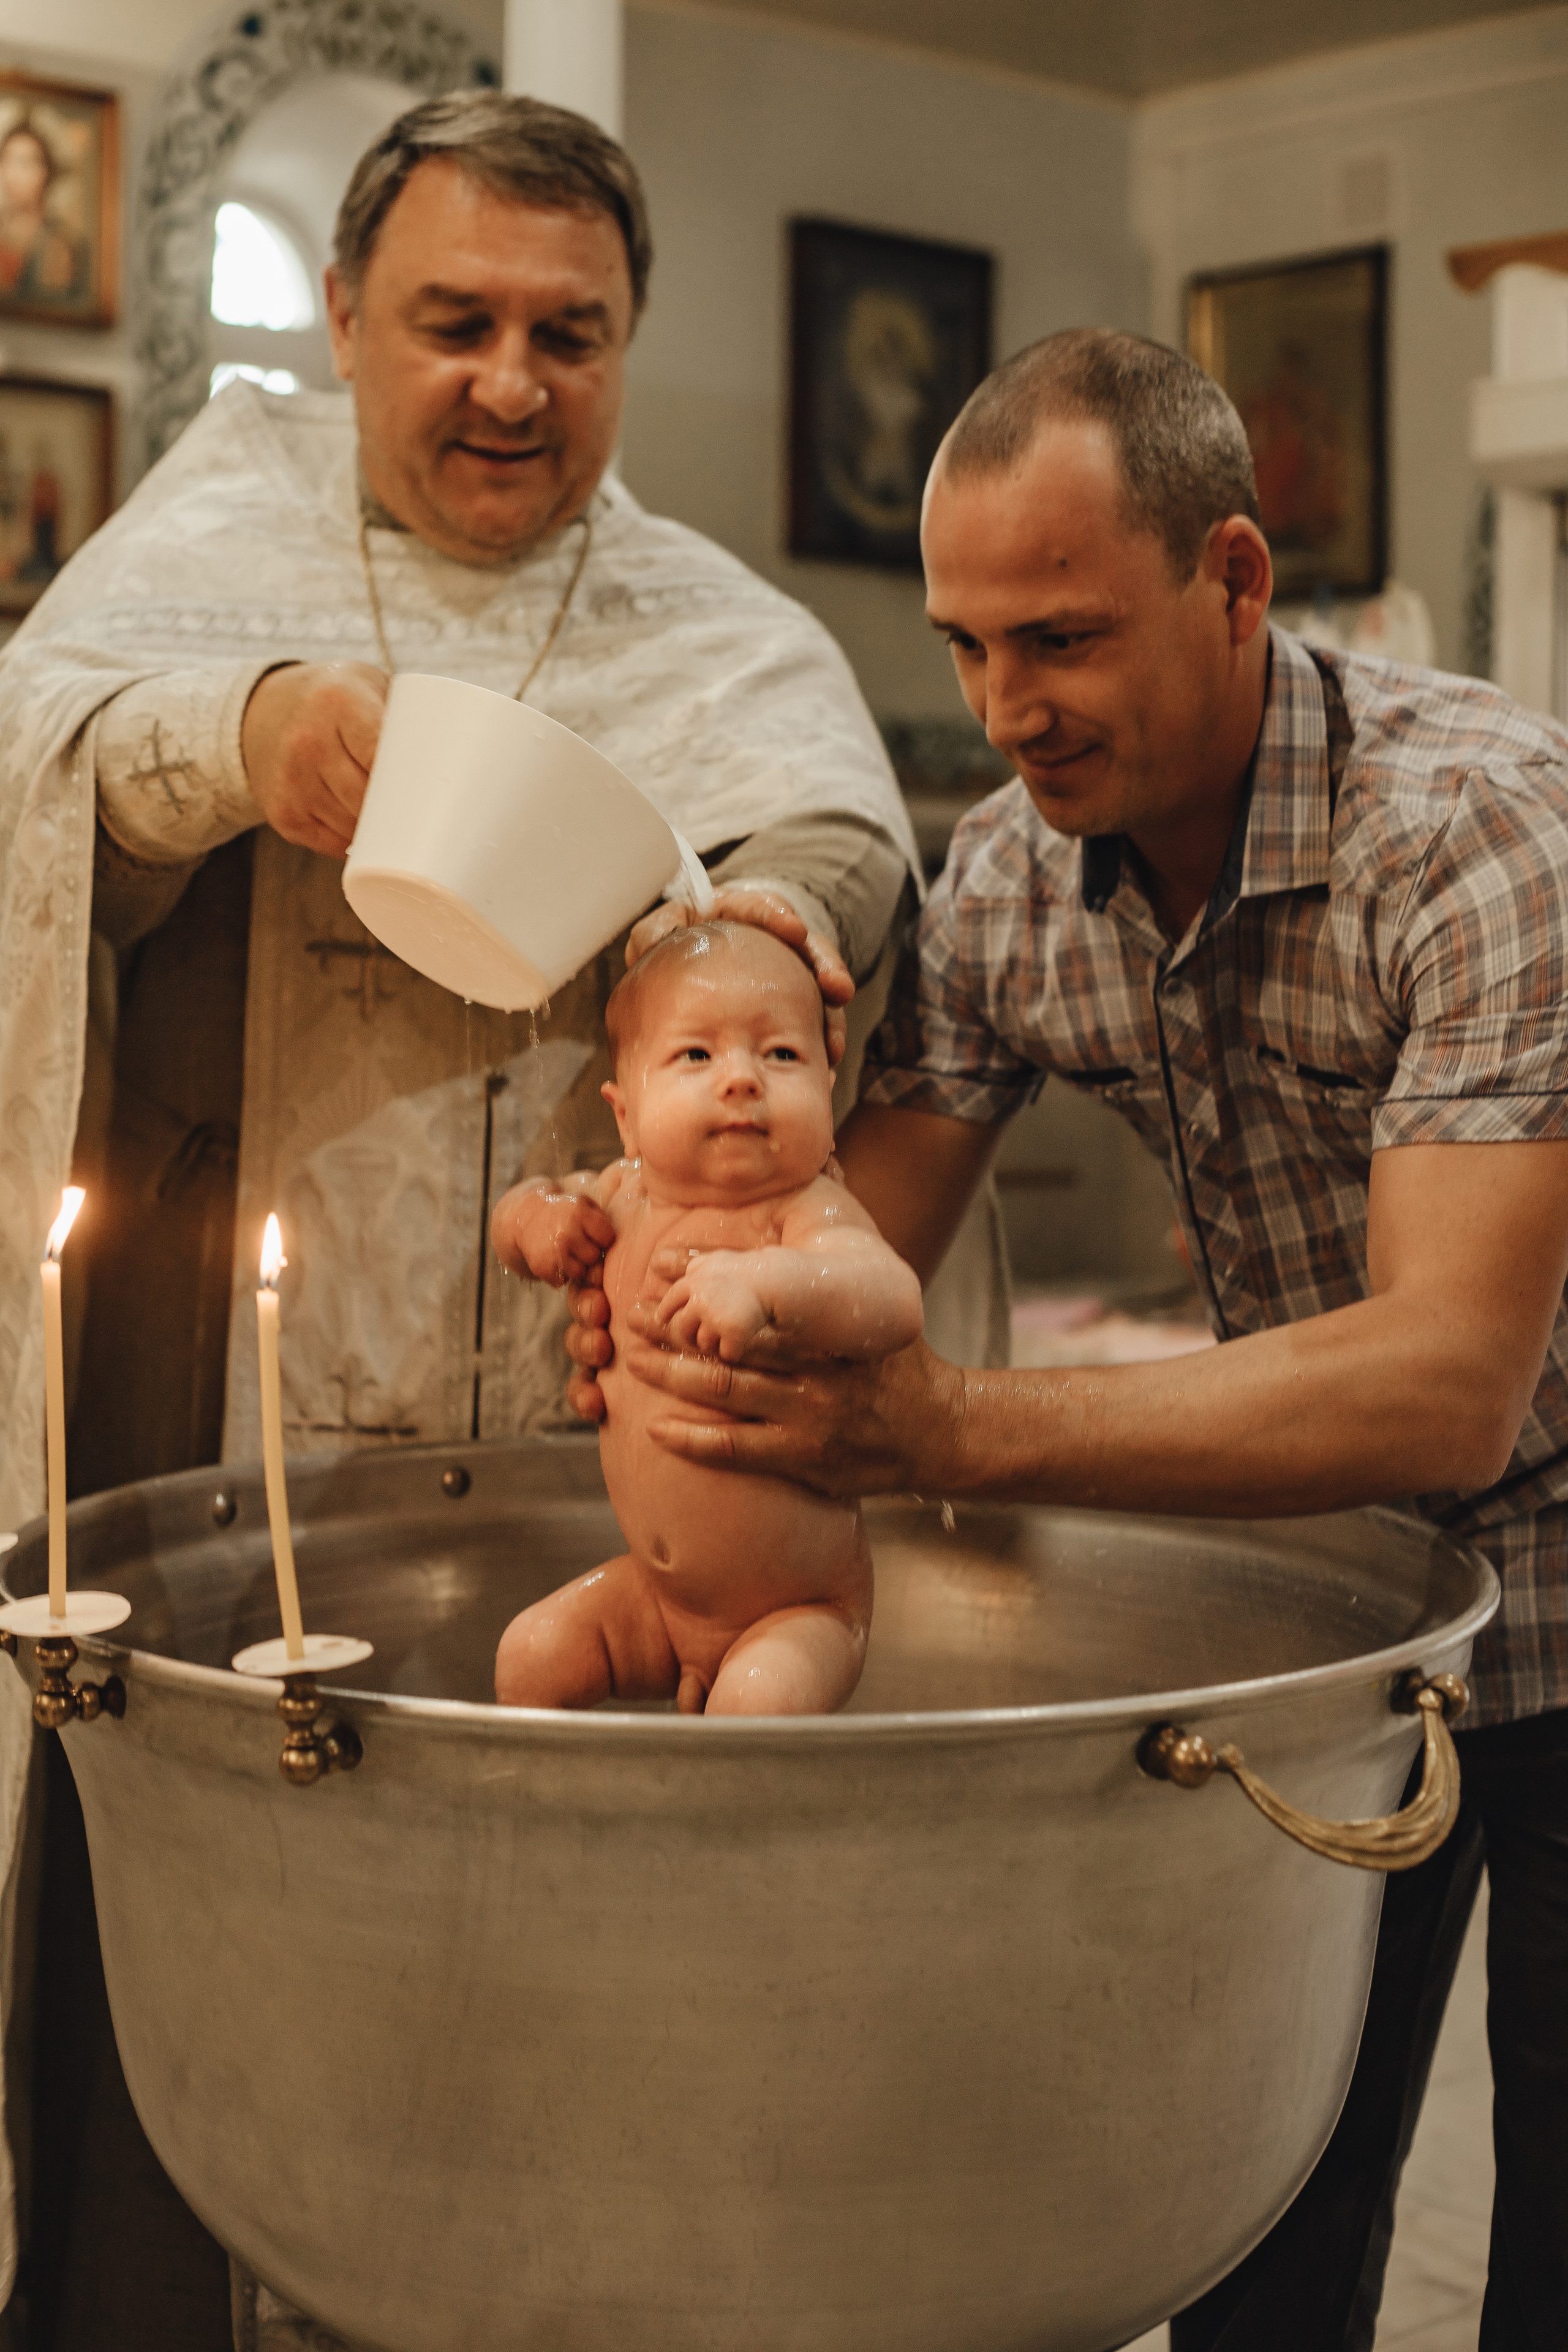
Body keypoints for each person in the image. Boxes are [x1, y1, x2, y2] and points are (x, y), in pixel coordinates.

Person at [0, 88, 922, 2350]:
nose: (514, 381)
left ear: (629, 341)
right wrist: (240, 731)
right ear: (341, 319)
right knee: (210, 1950)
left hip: (590, 1425)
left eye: (570, 333)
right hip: (224, 1364)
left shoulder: (708, 616)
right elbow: (35, 773)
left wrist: (782, 923)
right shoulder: (207, 533)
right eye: (455, 323)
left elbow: (837, 828)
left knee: (550, 1995)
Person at [574, 330, 1568, 2347]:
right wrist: (687, 1310)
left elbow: (1449, 1382)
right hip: (1332, 1609)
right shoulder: (1014, 882)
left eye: (1063, 636)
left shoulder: (1482, 833)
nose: (1007, 710)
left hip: (1560, 1547)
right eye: (965, 646)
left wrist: (940, 1423)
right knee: (1244, 2210)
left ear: (1233, 579)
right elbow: (843, 1226)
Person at [493, 921, 921, 1717]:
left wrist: (773, 1287)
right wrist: (535, 1223)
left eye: (782, 1055)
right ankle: (565, 1834)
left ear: (827, 1087)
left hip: (799, 1610)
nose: (742, 1080)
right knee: (532, 1654)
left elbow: (890, 1295)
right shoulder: (618, 1196)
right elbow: (512, 1219)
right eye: (697, 1055)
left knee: (757, 1703)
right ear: (626, 1115)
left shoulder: (805, 1210)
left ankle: (715, 1835)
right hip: (660, 1602)